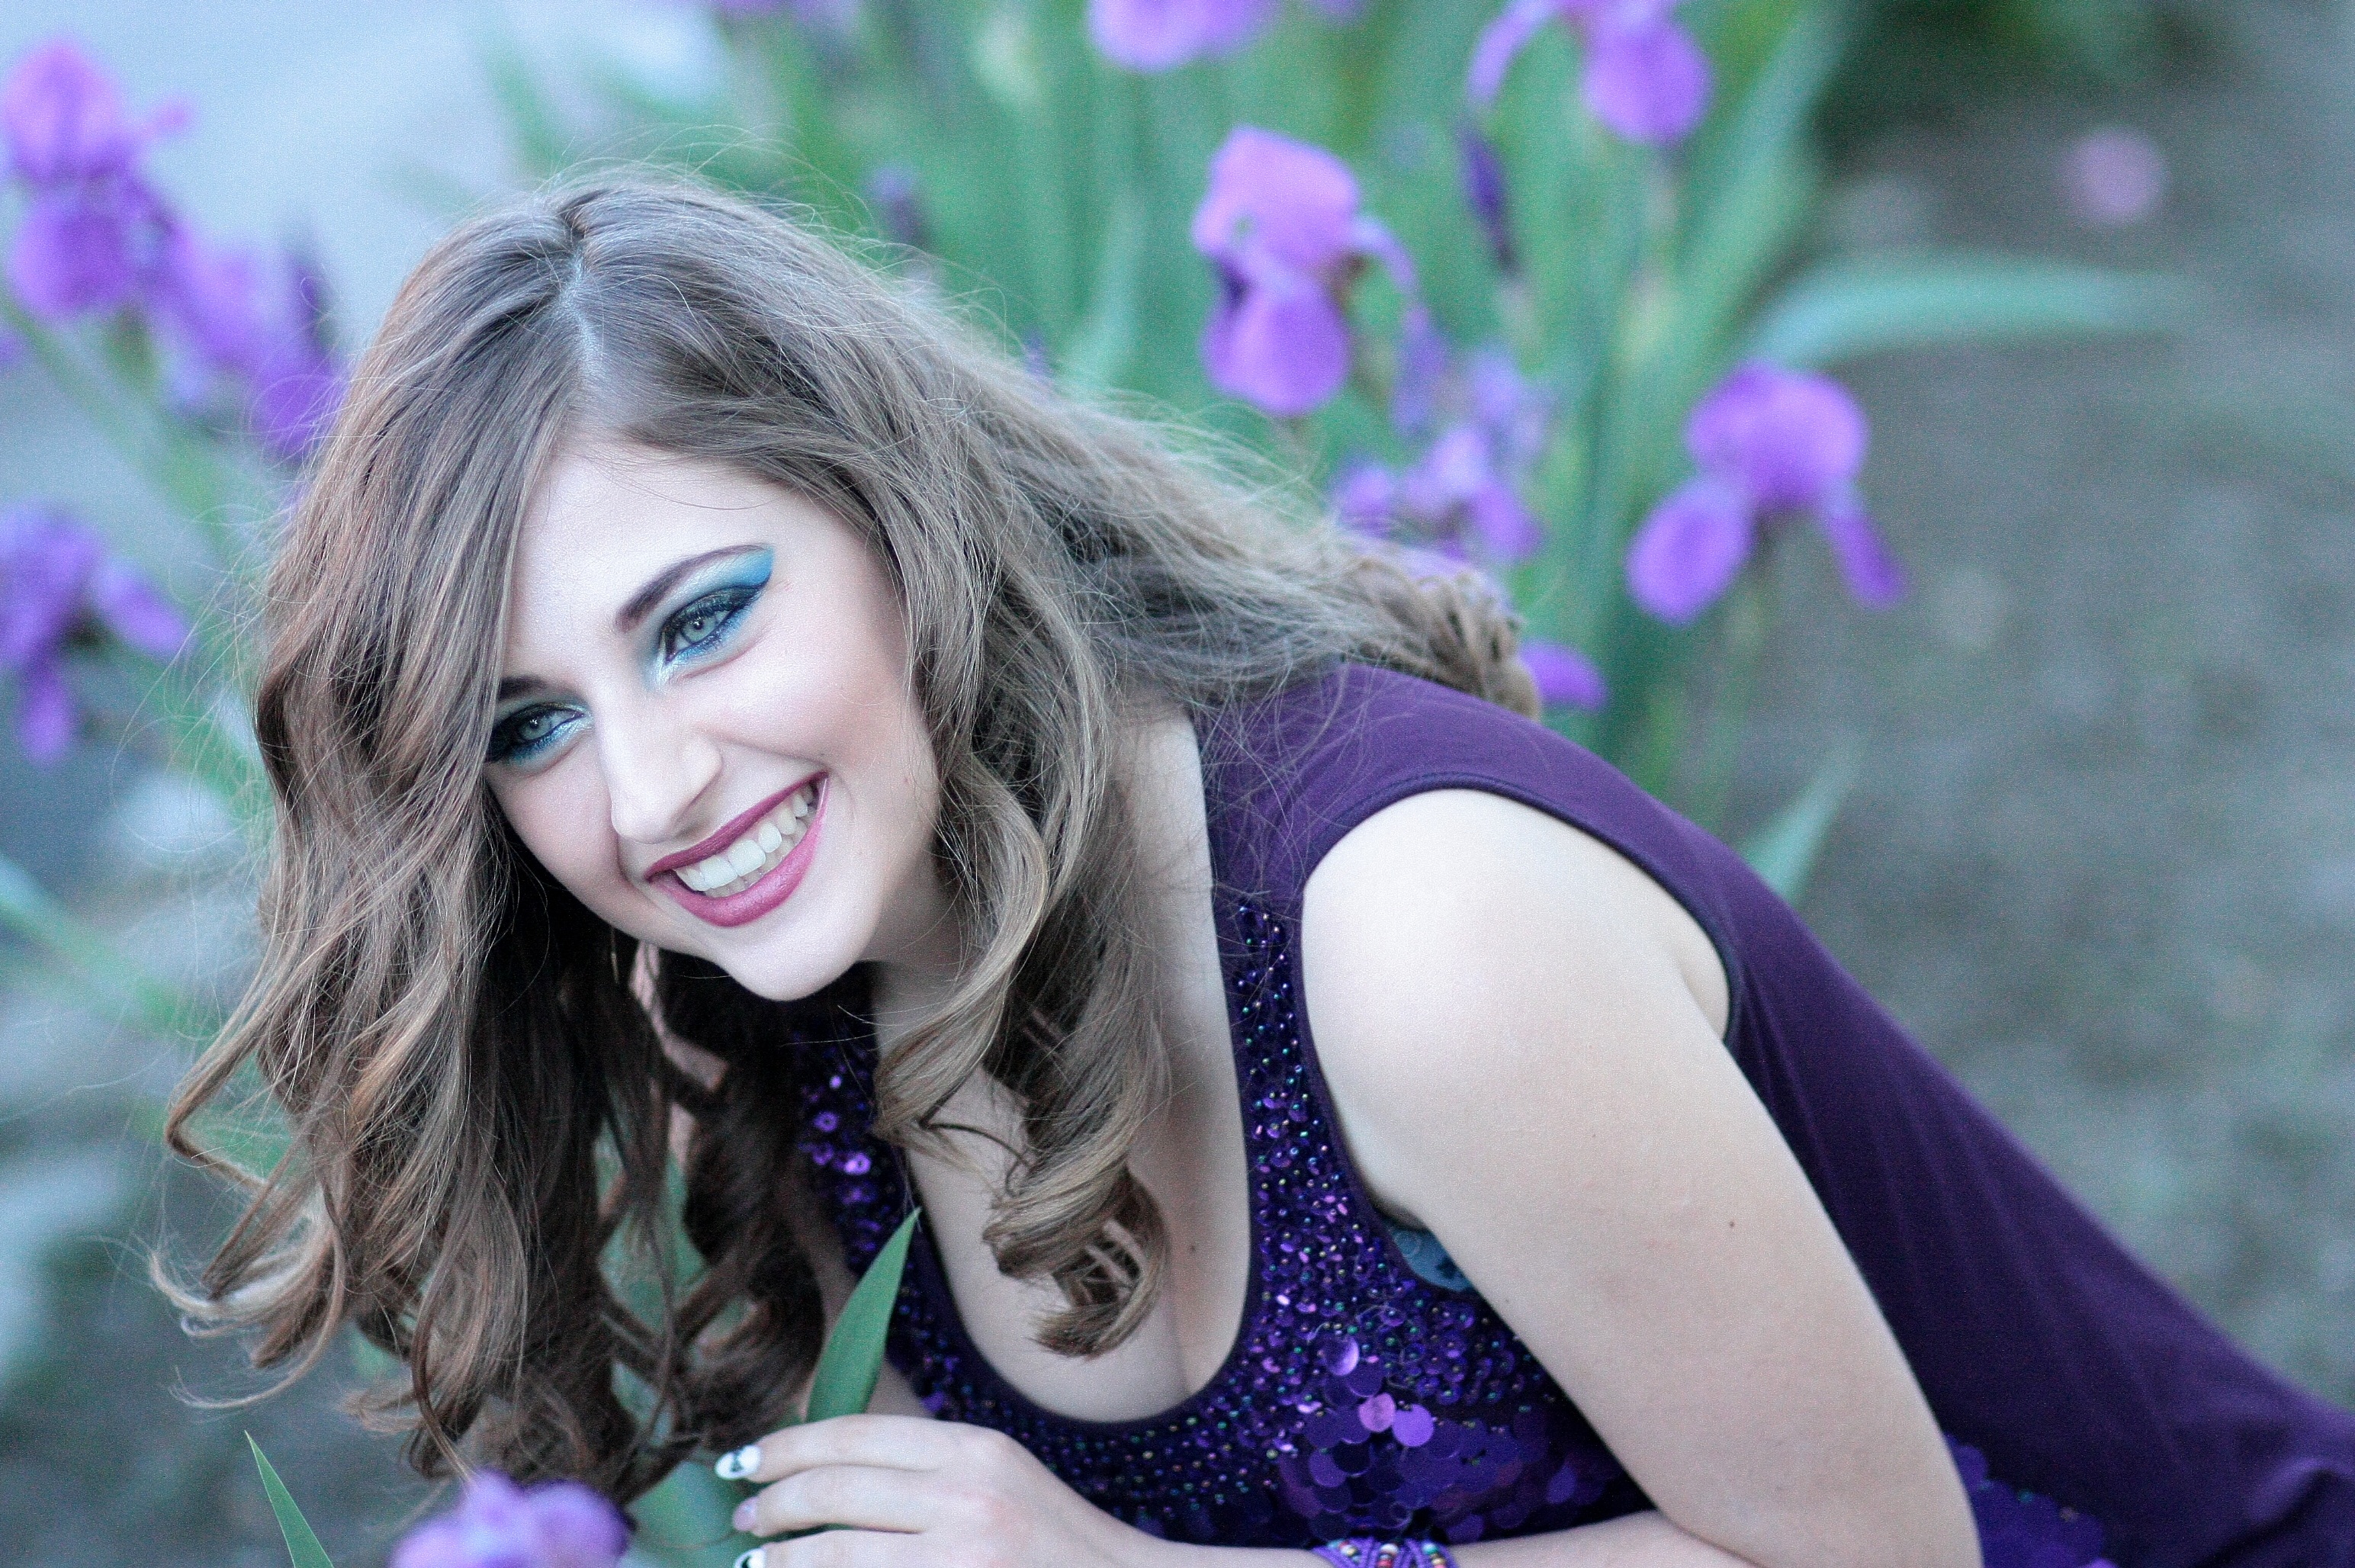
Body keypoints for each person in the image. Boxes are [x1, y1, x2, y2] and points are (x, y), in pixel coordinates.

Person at [166, 180, 2355, 1568]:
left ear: (892, 518)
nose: (644, 789)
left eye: (702, 615)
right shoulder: (769, 981)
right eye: (526, 727)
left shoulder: (1414, 935)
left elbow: (1877, 1560)